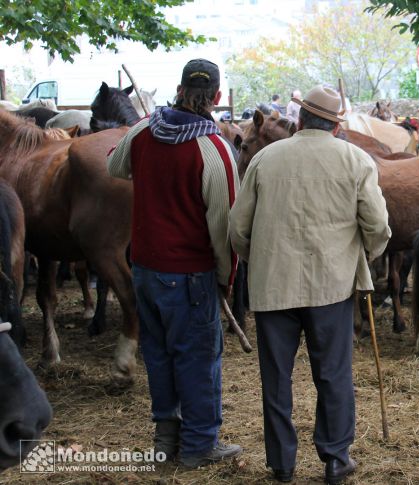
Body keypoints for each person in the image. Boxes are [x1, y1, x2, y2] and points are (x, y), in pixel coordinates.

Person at [229, 85, 391, 484]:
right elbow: (378, 228)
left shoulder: (265, 159)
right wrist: (359, 258)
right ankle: (336, 459)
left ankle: (282, 464)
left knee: (275, 378)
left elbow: (236, 228)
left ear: (299, 119)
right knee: (333, 374)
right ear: (336, 127)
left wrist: (259, 259)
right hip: (331, 287)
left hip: (272, 286)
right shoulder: (356, 159)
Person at [107, 58, 241, 468]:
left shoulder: (145, 130)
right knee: (198, 358)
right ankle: (200, 445)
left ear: (180, 89)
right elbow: (224, 226)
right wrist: (225, 277)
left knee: (160, 354)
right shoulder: (214, 149)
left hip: (144, 269)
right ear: (216, 98)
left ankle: (165, 441)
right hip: (188, 274)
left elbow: (115, 165)